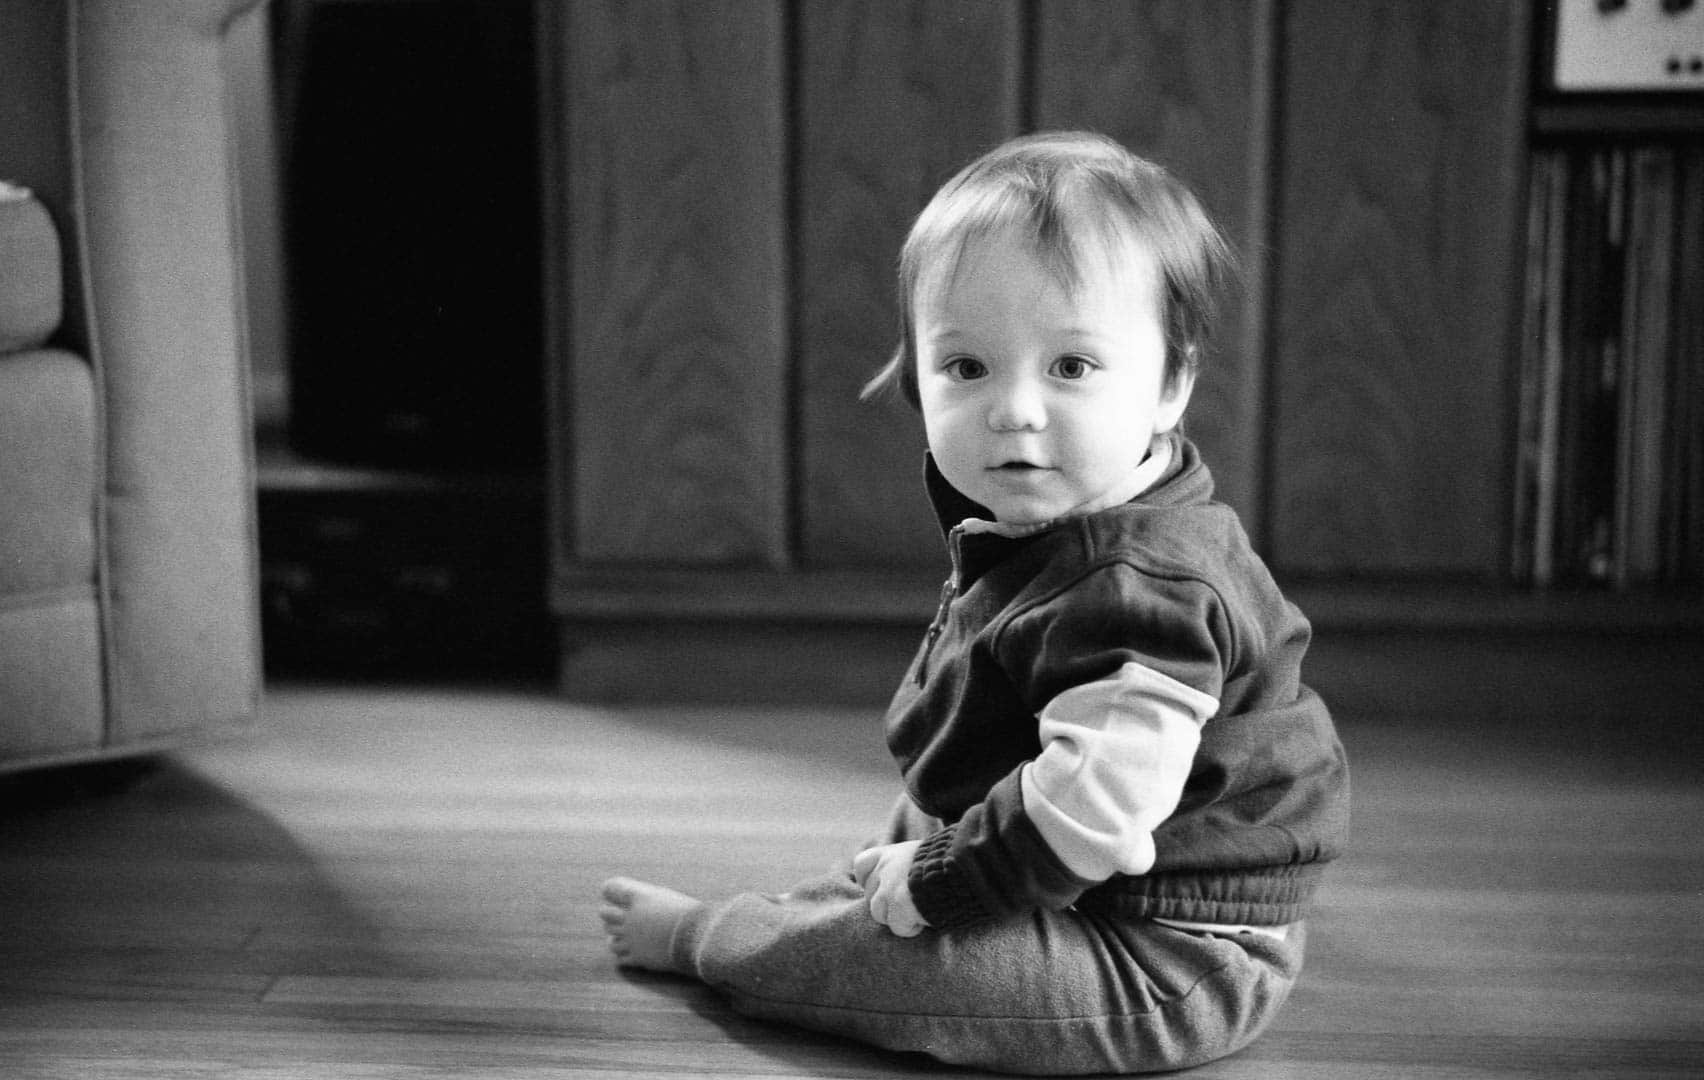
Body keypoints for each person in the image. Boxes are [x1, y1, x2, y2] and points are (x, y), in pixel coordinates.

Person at [600, 131, 1350, 1076]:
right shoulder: (1066, 514)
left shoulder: (1144, 592)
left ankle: (722, 941)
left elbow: (1093, 810)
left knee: (892, 972)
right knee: (920, 829)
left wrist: (945, 887)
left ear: (1172, 384)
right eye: (967, 368)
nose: (1014, 410)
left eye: (1071, 367)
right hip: (1084, 867)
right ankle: (858, 898)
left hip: (1173, 953)